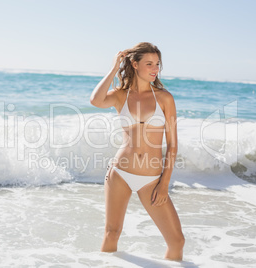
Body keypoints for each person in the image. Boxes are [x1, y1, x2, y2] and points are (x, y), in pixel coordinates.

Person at [90, 42, 185, 260]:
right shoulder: (121, 95)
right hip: (120, 174)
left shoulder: (164, 98)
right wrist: (114, 68)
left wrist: (164, 183)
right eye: (149, 63)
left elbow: (172, 145)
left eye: (157, 64)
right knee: (111, 233)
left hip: (151, 179)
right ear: (134, 64)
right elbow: (95, 100)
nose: (155, 69)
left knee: (177, 241)